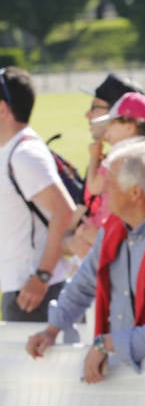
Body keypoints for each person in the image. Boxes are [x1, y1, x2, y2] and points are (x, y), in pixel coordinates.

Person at [25, 140, 145, 383]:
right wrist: (52, 330)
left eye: (111, 183)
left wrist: (106, 345)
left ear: (136, 193)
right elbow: (84, 283)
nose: (103, 190)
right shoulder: (114, 229)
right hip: (132, 380)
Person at [0, 66, 77, 322]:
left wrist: (42, 276)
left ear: (3, 109)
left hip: (33, 292)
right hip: (20, 286)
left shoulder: (24, 155)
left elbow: (64, 211)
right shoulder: (11, 150)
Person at [66, 91, 145, 258]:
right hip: (131, 238)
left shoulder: (120, 156)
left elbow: (94, 187)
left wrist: (94, 157)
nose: (107, 129)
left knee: (81, 256)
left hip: (107, 232)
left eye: (111, 124)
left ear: (129, 127)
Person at [62, 73, 145, 259]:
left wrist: (100, 240)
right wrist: (73, 242)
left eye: (95, 108)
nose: (87, 114)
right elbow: (67, 235)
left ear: (120, 115)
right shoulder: (102, 161)